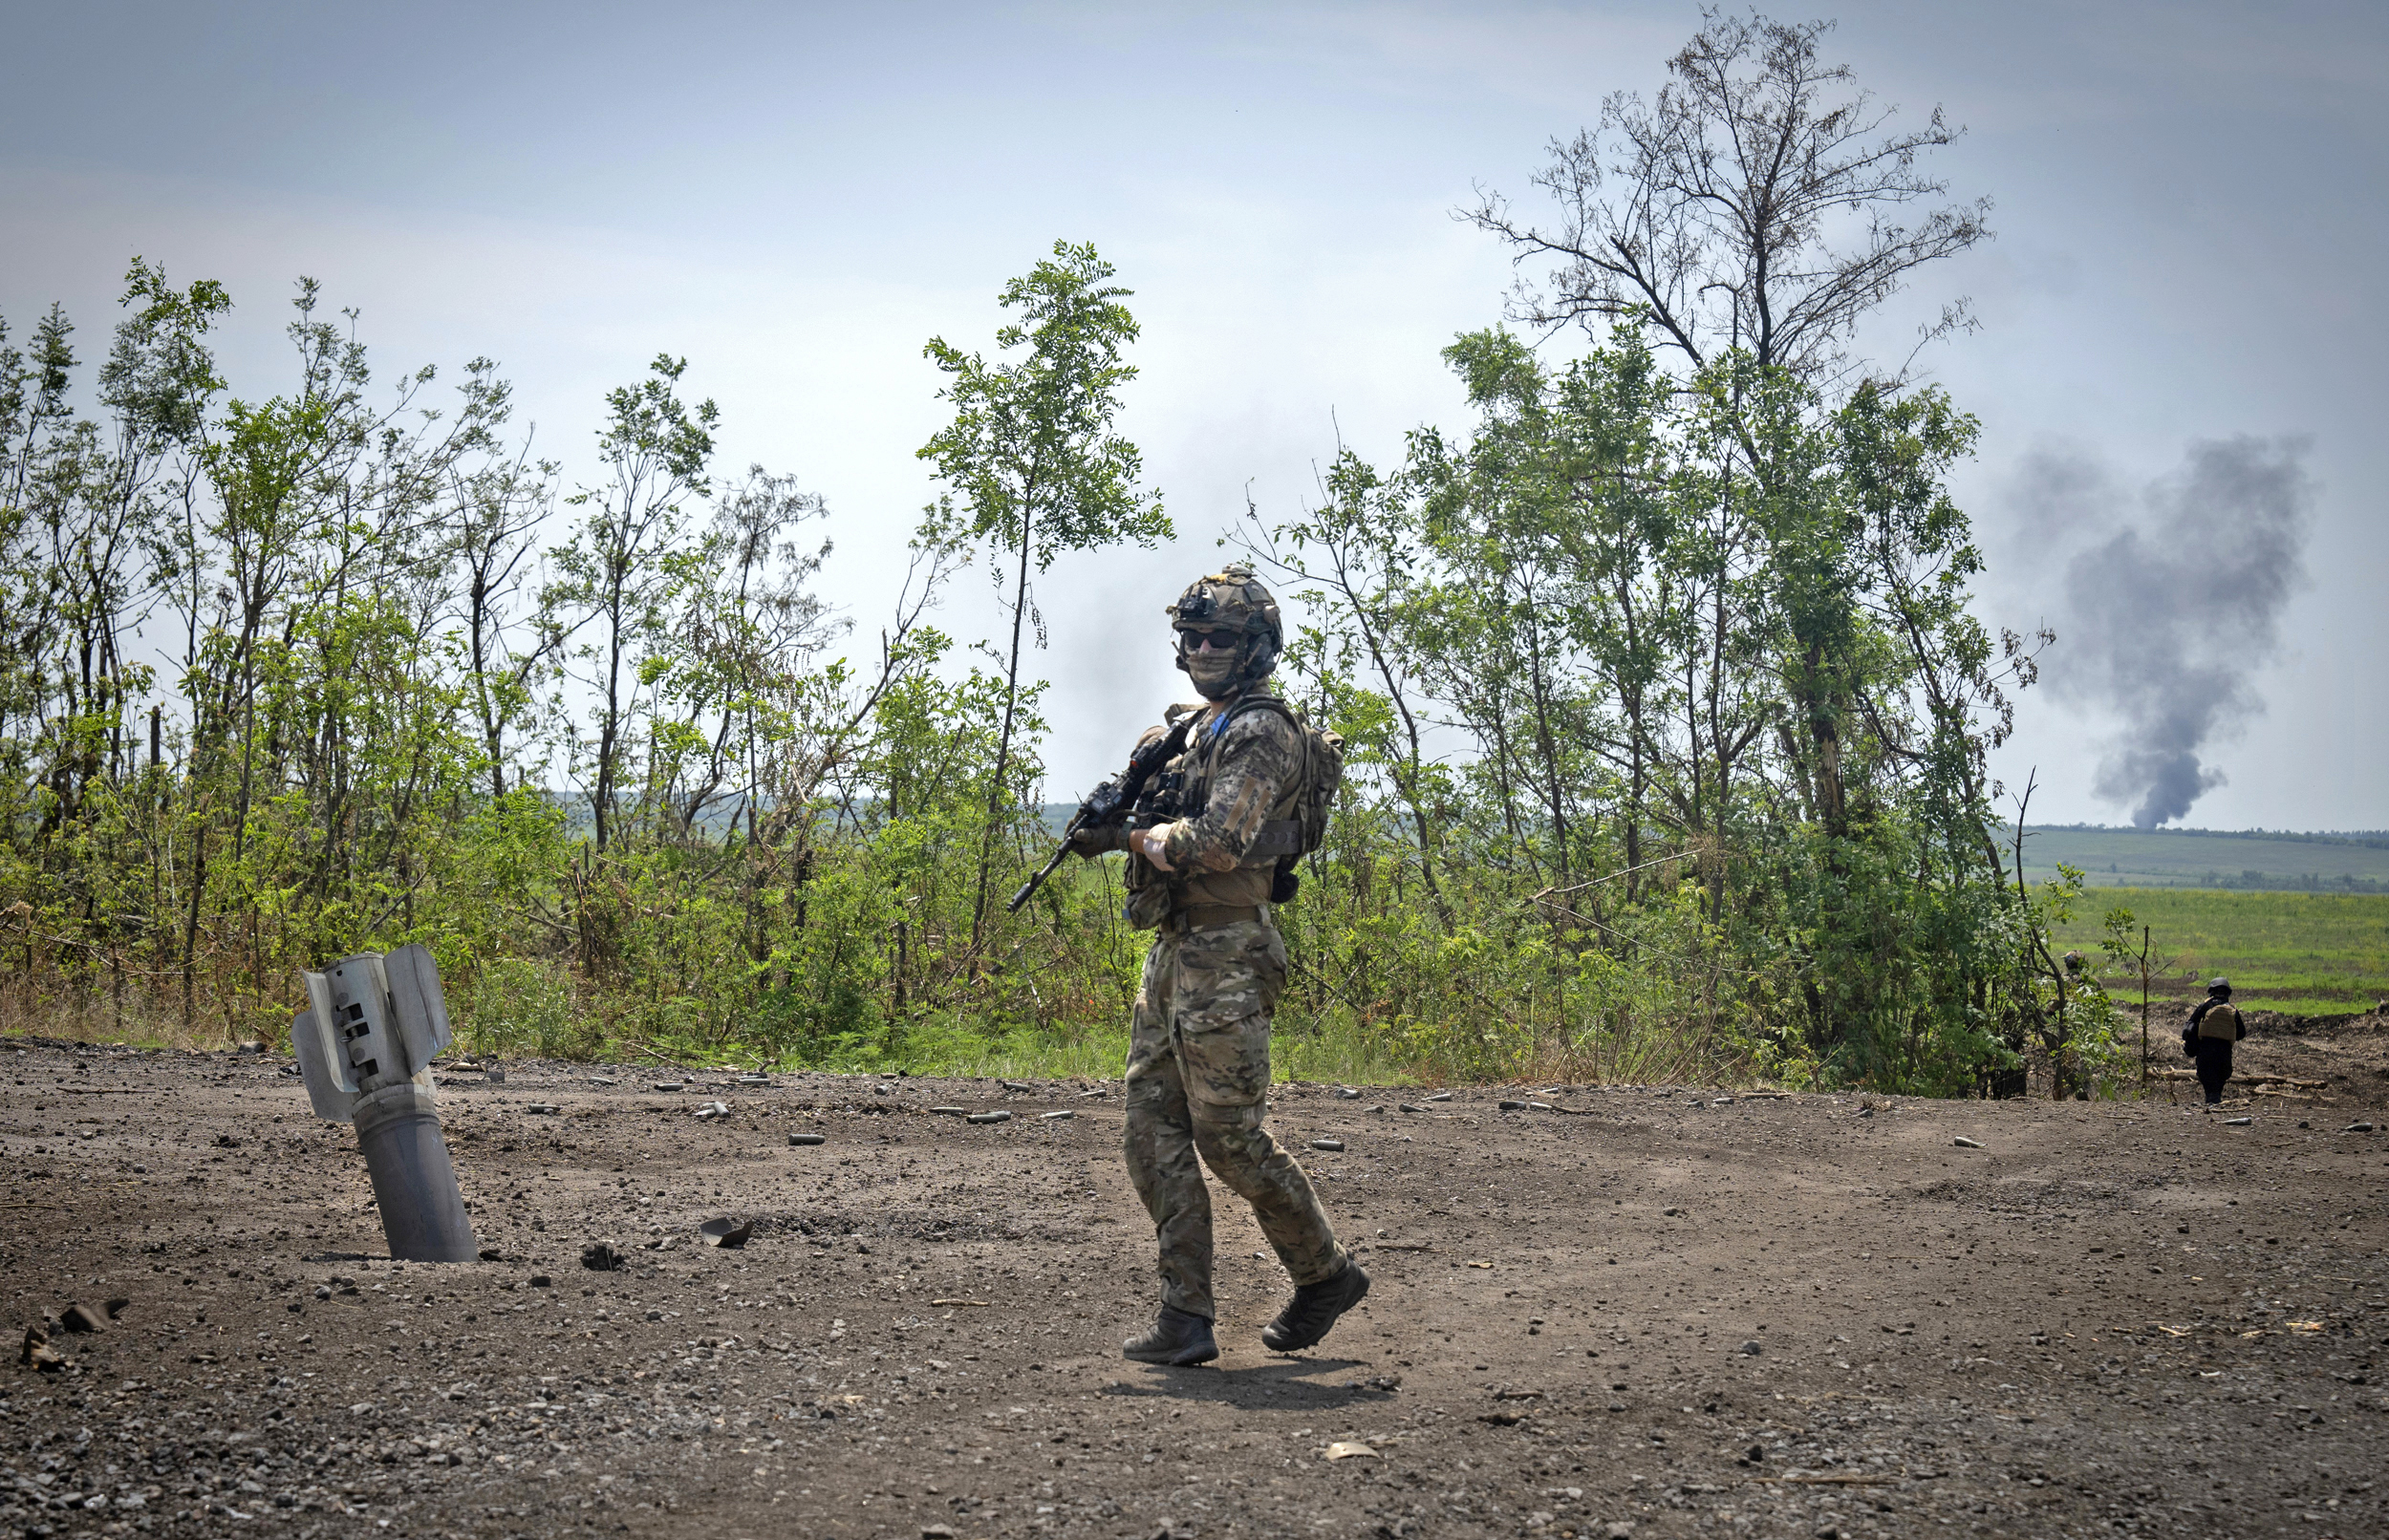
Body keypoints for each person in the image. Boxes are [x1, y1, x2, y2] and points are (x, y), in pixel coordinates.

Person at [1071, 563, 1367, 1366]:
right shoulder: (1193, 726)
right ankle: (1184, 1316)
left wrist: (1126, 840)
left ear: (1257, 645)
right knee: (1149, 1128)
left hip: (1230, 950)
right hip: (1176, 950)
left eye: (1222, 636)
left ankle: (1325, 1274)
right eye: (1194, 635)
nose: (1204, 647)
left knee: (1228, 1139)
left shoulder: (1260, 730)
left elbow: (1220, 842)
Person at [2183, 977, 2247, 1107]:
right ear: (2228, 993)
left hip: (2205, 1050)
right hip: (2224, 1052)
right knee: (2220, 1079)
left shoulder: (2205, 1006)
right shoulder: (2232, 1010)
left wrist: (2191, 1045)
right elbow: (2241, 1033)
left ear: (2211, 991)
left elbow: (2189, 1027)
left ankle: (2211, 1100)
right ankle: (2215, 1099)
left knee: (2206, 1077)